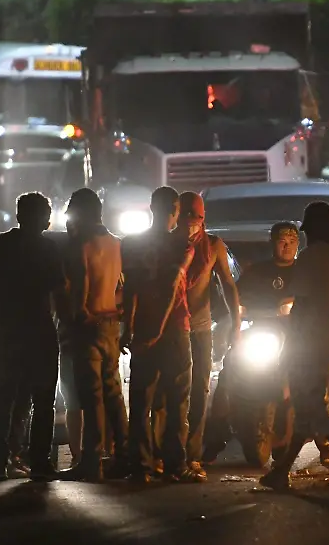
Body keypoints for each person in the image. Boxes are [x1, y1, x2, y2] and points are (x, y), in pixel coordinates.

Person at [260, 202, 329, 491]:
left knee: (315, 407)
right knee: (308, 409)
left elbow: (302, 307)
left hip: (306, 344)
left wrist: (289, 346)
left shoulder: (309, 258)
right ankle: (280, 472)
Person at [0, 193, 68, 481]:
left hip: (6, 331)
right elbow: (59, 292)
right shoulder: (48, 250)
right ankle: (39, 462)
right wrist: (67, 324)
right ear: (44, 220)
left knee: (3, 398)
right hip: (39, 330)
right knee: (43, 399)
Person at [202, 222, 324, 465]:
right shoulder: (256, 272)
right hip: (258, 334)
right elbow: (235, 296)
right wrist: (236, 310)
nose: (286, 245)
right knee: (228, 376)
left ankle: (325, 442)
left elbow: (318, 303)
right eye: (281, 240)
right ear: (272, 243)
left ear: (299, 244)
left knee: (311, 382)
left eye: (291, 240)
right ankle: (215, 438)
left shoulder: (306, 273)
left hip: (295, 340)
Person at [123, 187, 198, 483]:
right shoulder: (182, 246)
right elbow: (171, 286)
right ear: (176, 210)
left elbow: (130, 290)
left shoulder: (131, 244)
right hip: (174, 329)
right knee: (177, 398)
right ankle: (174, 465)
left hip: (142, 328)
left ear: (152, 207)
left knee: (141, 400)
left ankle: (141, 466)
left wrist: (128, 328)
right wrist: (158, 329)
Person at [59, 188, 129, 482]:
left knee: (92, 396)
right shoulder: (114, 243)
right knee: (113, 394)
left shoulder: (82, 246)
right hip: (111, 324)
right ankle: (124, 456)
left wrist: (78, 314)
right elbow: (120, 285)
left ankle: (91, 461)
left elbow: (81, 287)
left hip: (88, 326)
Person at [178, 192, 241, 481]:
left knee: (199, 391)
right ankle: (172, 453)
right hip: (173, 329)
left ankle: (192, 455)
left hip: (201, 328)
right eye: (186, 219)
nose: (191, 225)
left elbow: (228, 285)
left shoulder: (213, 246)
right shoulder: (169, 244)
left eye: (197, 219)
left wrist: (236, 323)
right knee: (173, 392)